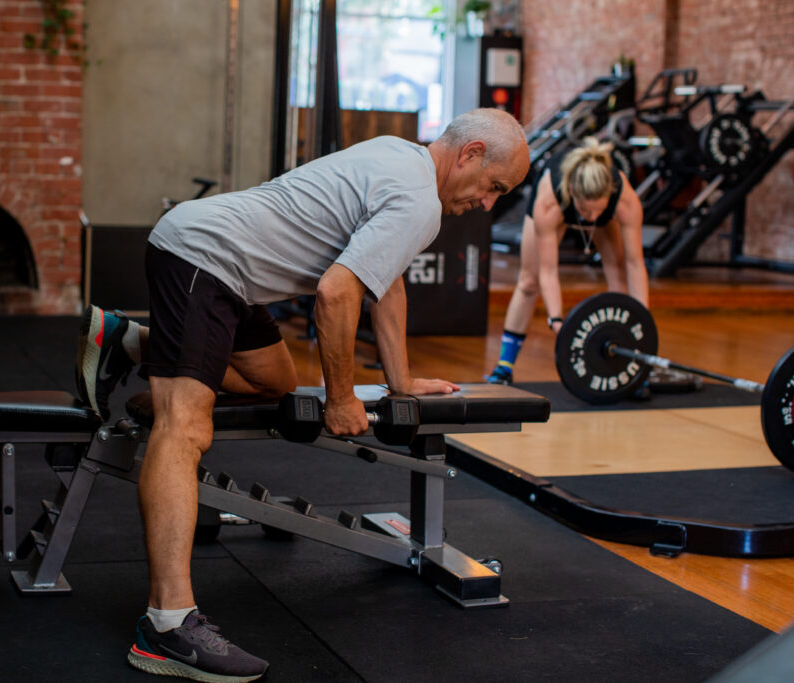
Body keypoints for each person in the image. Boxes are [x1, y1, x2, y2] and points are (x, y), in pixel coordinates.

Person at [76, 108, 529, 683]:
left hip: (227, 268)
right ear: (470, 154)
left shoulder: (401, 157)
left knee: (276, 383)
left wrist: (400, 383)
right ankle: (167, 626)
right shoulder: (419, 200)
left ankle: (128, 342)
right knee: (185, 427)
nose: (487, 204)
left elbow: (387, 283)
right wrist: (342, 398)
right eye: (494, 187)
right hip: (205, 257)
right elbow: (337, 293)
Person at [486, 137, 648, 386]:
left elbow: (635, 264)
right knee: (529, 282)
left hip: (599, 205)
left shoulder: (625, 200)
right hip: (555, 204)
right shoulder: (549, 202)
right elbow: (549, 271)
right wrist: (556, 320)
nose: (592, 218)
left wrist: (642, 324)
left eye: (599, 210)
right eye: (586, 211)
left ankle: (629, 361)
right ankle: (504, 367)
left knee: (618, 272)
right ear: (572, 192)